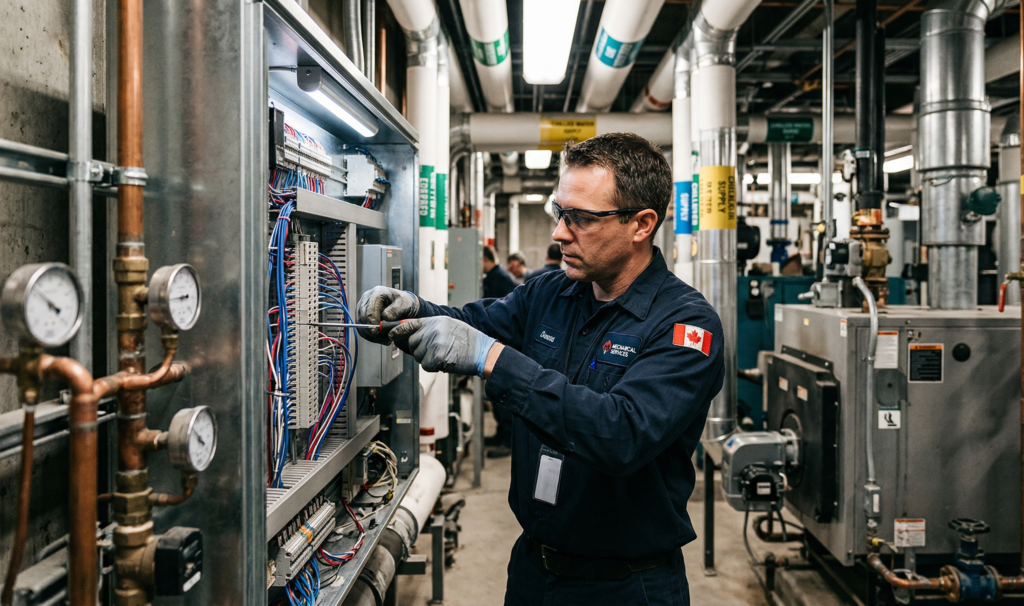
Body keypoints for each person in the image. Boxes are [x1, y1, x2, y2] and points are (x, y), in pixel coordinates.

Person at [357, 132, 724, 606]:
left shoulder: (685, 325)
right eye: (559, 211)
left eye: (581, 218)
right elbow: (472, 325)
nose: (559, 232)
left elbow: (622, 433)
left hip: (627, 586)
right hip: (534, 570)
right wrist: (410, 310)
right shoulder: (549, 293)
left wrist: (493, 359)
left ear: (642, 224)